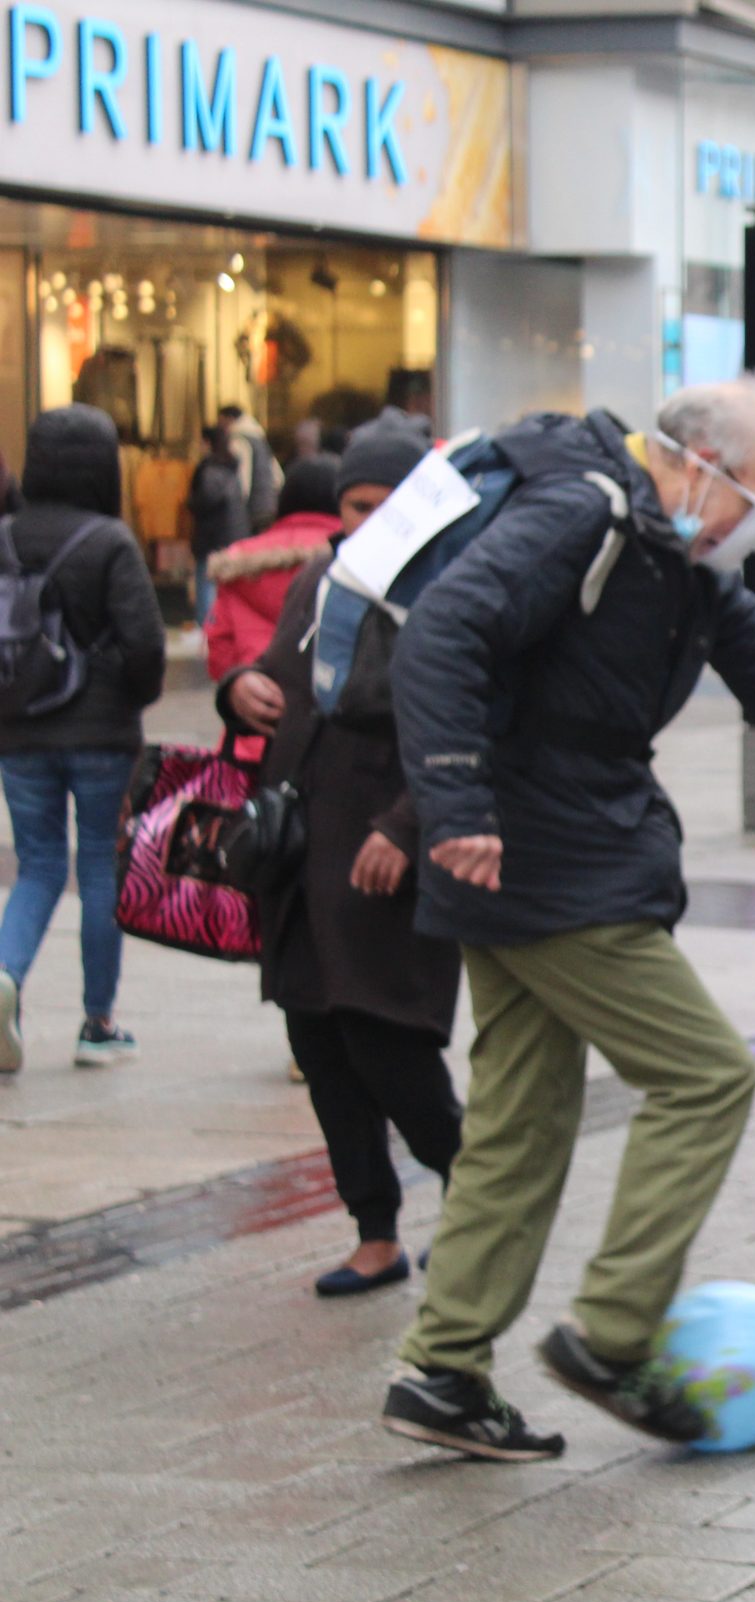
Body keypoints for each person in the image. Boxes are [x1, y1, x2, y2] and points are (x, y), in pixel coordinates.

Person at [379, 379, 755, 1462]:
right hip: (548, 856)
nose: (742, 529)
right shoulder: (578, 514)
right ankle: (614, 1331)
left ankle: (443, 1371)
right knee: (707, 1075)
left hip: (543, 847)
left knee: (522, 1113)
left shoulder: (659, 535)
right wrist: (455, 805)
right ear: (695, 463)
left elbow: (725, 613)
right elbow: (442, 634)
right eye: (746, 500)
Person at [218, 418, 465, 1299]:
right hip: (304, 845)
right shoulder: (321, 577)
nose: (369, 523)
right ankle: (375, 1231)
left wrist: (405, 826)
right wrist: (240, 689)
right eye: (356, 506)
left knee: (387, 1039)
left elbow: (467, 725)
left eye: (386, 505)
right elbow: (282, 679)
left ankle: (479, 1204)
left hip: (386, 844)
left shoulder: (450, 585)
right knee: (319, 1038)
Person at [0, 405, 165, 1070]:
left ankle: (5, 975)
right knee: (99, 864)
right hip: (101, 732)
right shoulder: (110, 541)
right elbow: (145, 644)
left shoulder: (6, 535)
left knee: (38, 863)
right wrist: (130, 697)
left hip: (18, 729)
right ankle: (98, 1023)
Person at [205, 456, 340, 679]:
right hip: (332, 690)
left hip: (257, 689)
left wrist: (237, 685)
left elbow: (220, 646)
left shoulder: (240, 559)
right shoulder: (353, 555)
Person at [187, 425, 248, 625]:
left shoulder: (210, 470)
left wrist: (191, 502)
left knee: (207, 585)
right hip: (231, 534)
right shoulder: (230, 468)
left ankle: (208, 628)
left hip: (212, 537)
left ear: (208, 443)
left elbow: (205, 501)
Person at [219, 404, 280, 533]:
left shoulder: (239, 439)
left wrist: (238, 505)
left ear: (229, 419)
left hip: (252, 508)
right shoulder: (260, 439)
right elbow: (278, 476)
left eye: (221, 421)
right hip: (269, 505)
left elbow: (242, 476)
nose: (220, 426)